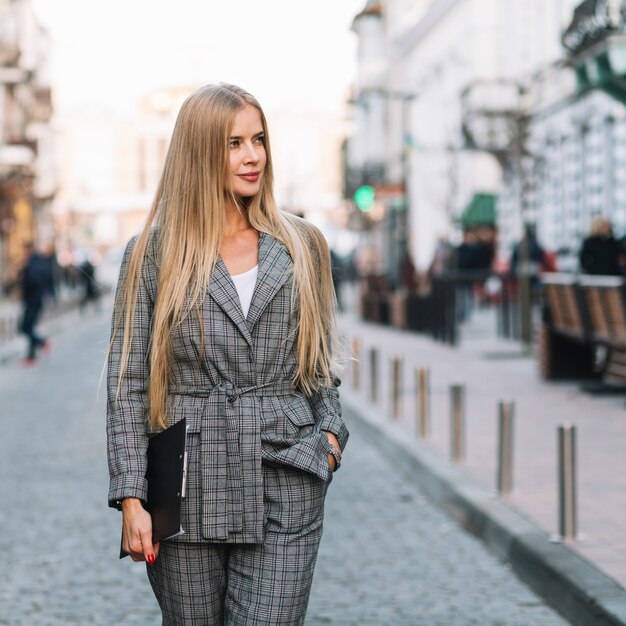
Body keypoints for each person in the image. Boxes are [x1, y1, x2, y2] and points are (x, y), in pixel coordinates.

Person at [106, 83, 348, 625]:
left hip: (285, 473)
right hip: (185, 484)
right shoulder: (153, 251)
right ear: (199, 151)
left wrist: (328, 441)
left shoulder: (301, 245)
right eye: (234, 142)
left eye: (258, 139)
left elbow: (320, 363)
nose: (252, 155)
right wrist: (130, 496)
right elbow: (129, 381)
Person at [19, 242, 53, 364]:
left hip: (32, 300)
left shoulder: (31, 265)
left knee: (25, 327)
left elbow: (32, 282)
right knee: (29, 327)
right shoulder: (39, 263)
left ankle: (42, 342)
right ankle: (31, 356)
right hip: (36, 300)